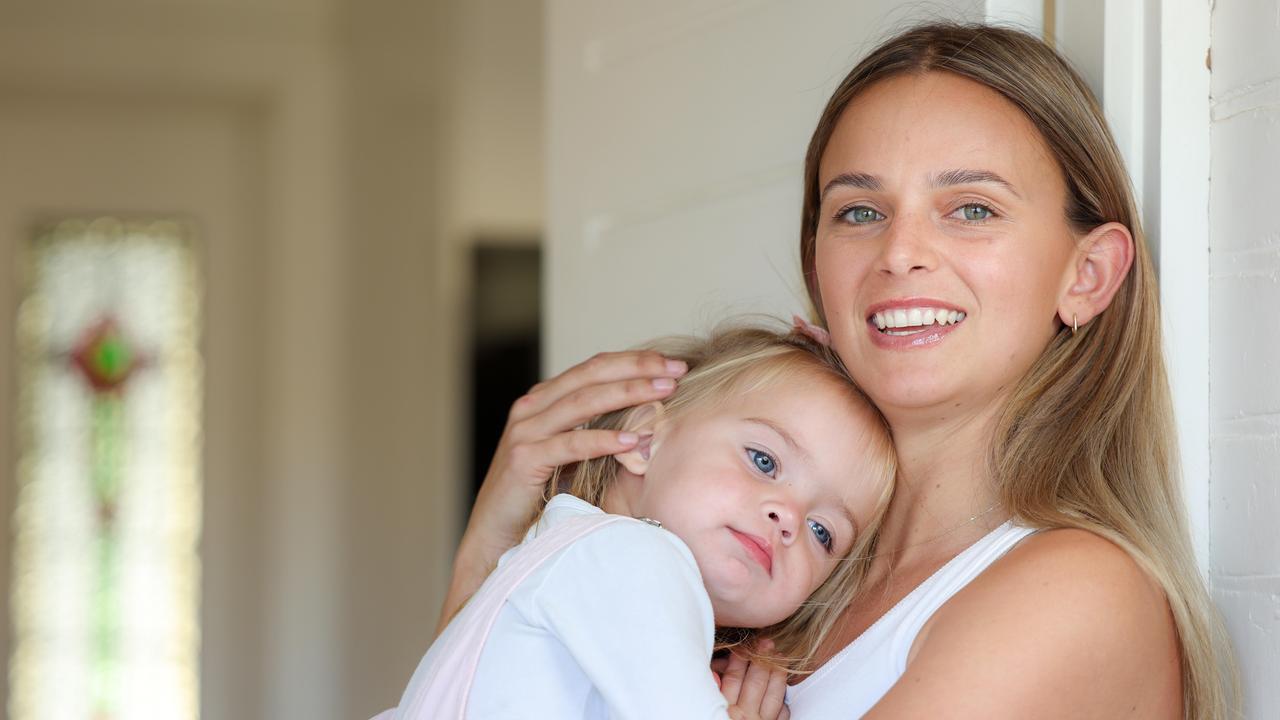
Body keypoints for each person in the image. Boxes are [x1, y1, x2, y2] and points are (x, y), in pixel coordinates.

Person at [442, 22, 1239, 719]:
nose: (899, 254)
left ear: (1088, 275)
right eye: (860, 211)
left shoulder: (1075, 594)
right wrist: (493, 561)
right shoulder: (773, 576)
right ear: (818, 267)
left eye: (972, 209)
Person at [386, 325, 896, 719]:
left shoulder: (569, 558)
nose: (787, 517)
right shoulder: (631, 554)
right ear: (645, 440)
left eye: (822, 532)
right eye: (763, 461)